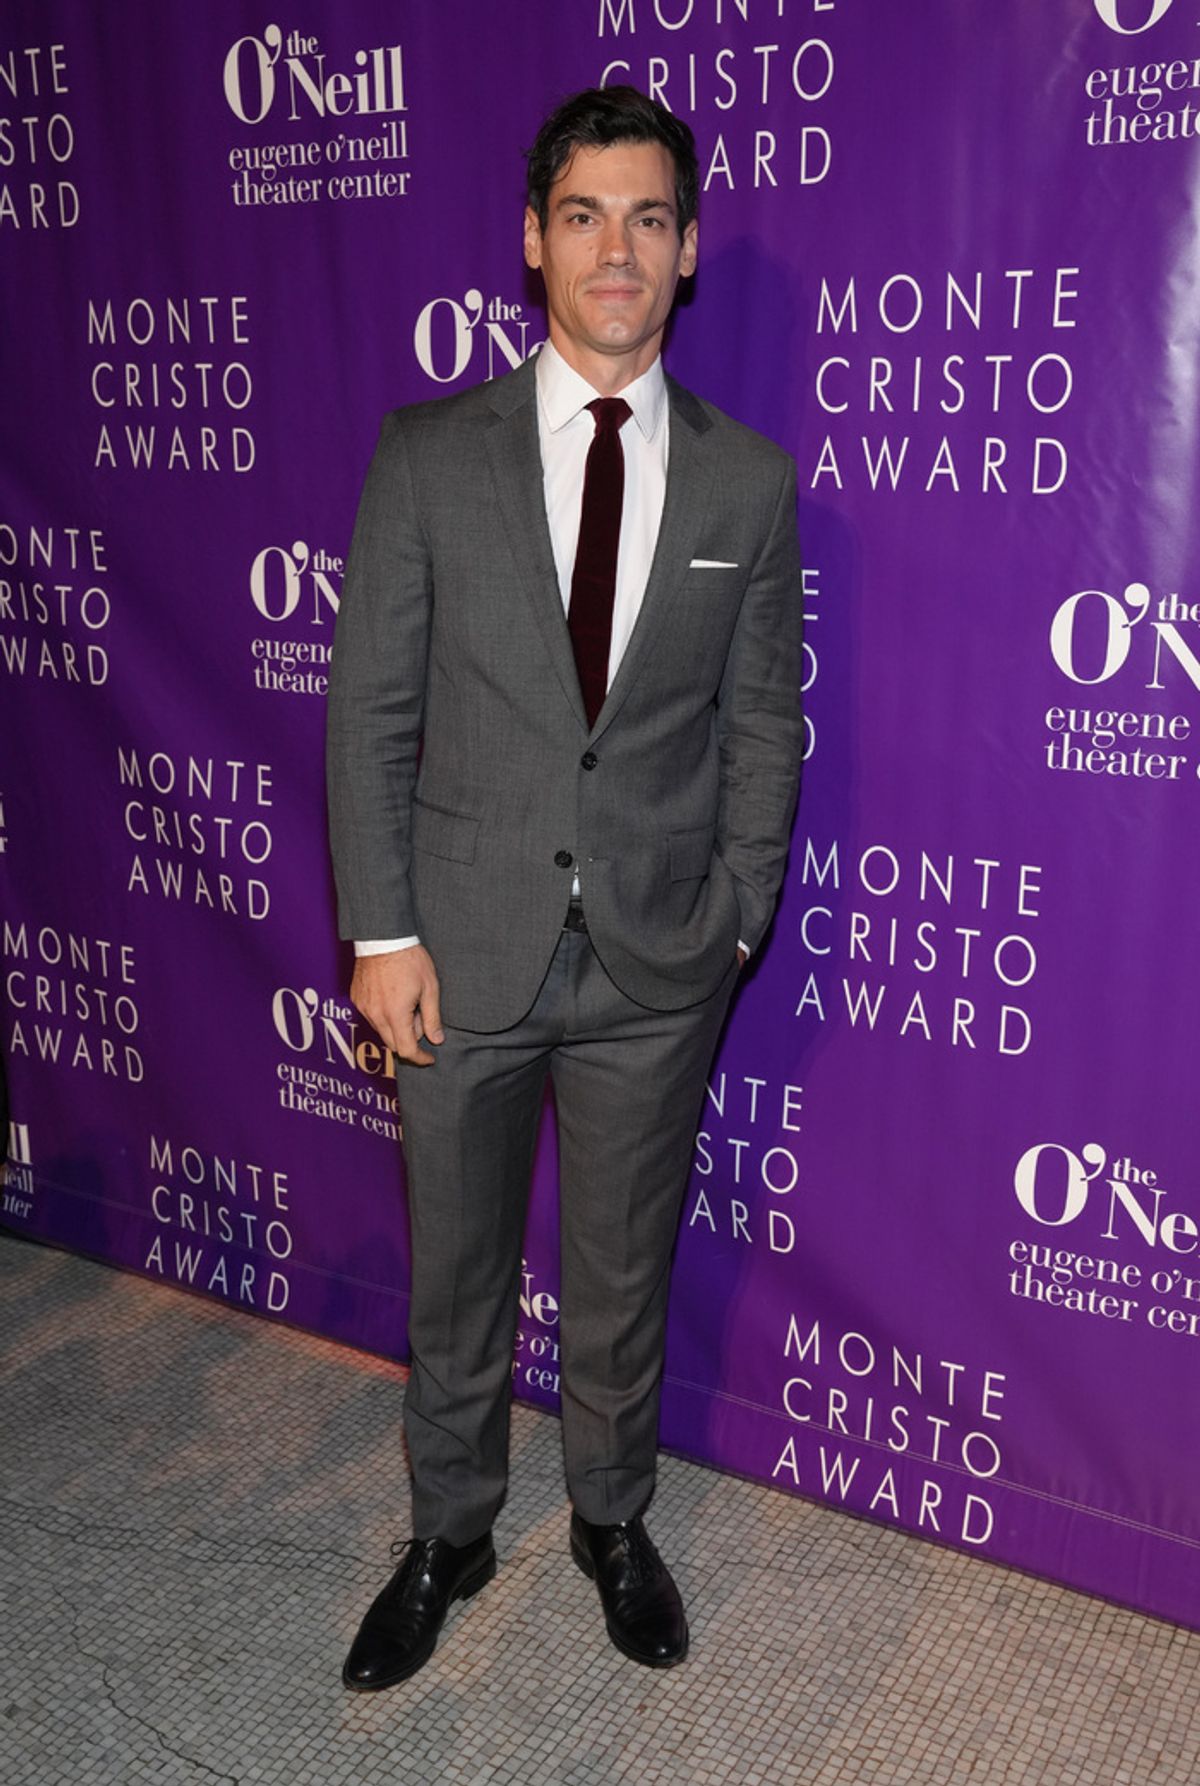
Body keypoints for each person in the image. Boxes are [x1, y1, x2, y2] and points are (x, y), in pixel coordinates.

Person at [326, 85, 803, 1688]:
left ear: (686, 253)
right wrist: (380, 930)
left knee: (621, 1270)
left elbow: (760, 721)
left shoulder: (749, 485)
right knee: (453, 1264)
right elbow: (372, 710)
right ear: (534, 242)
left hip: (661, 961)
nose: (619, 248)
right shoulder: (426, 454)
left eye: (650, 218)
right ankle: (451, 1526)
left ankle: (610, 1516)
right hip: (455, 953)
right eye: (586, 215)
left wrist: (737, 910)